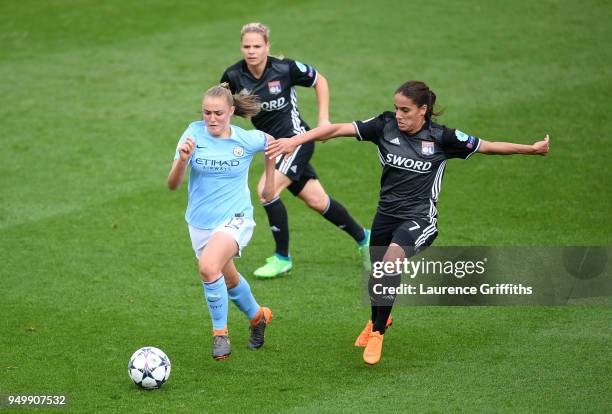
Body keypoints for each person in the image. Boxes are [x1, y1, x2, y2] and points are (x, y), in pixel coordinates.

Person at [266, 80, 550, 365]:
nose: (399, 115)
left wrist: (531, 149)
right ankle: (379, 320)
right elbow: (337, 129)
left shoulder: (442, 137)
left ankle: (377, 333)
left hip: (419, 217)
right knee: (378, 276)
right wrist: (296, 140)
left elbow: (488, 147)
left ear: (423, 110)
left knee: (390, 263)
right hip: (385, 216)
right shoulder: (384, 126)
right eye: (396, 109)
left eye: (405, 110)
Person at [220, 22, 370, 279]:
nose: (252, 51)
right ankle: (366, 240)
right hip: (273, 147)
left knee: (266, 191)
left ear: (268, 46)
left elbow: (319, 80)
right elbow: (221, 106)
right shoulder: (233, 76)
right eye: (247, 46)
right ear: (241, 47)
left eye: (257, 46)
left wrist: (324, 120)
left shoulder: (284, 68)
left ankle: (282, 258)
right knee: (317, 201)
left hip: (297, 141)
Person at [167, 84, 278, 360]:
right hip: (200, 222)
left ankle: (220, 335)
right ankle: (258, 317)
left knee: (207, 268)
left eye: (218, 113)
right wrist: (182, 160)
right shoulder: (192, 134)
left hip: (236, 218)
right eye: (207, 113)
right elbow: (172, 185)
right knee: (227, 278)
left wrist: (269, 183)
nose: (212, 119)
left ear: (231, 111)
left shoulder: (245, 139)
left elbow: (271, 144)